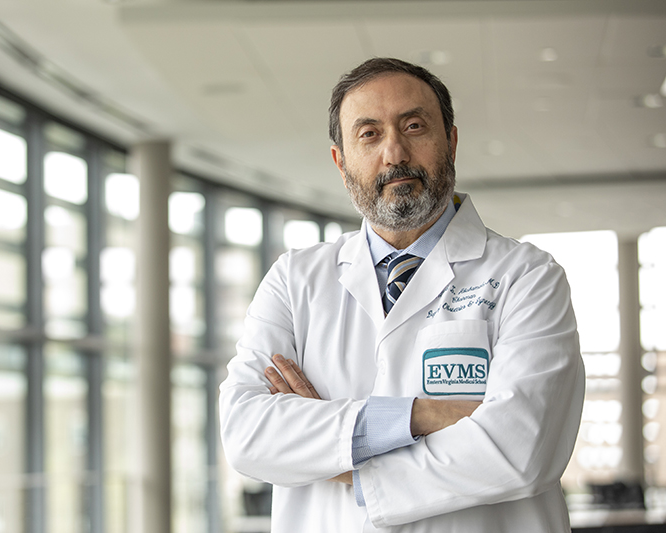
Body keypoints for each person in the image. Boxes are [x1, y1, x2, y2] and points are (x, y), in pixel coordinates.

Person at [219, 57, 585, 532]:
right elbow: (247, 434)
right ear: (341, 160)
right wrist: (419, 415)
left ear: (451, 141)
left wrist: (336, 459)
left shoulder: (529, 276)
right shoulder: (294, 281)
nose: (394, 153)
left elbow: (520, 450)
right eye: (368, 134)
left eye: (414, 126)